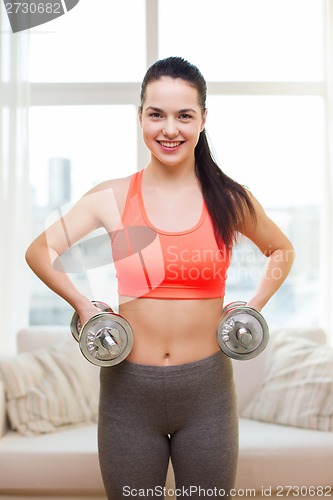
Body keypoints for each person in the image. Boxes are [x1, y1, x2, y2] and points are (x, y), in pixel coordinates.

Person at [25, 56, 295, 499]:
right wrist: (84, 305)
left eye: (184, 115)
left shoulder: (229, 199)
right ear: (140, 118)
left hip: (206, 392)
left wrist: (253, 308)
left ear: (203, 120)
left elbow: (281, 249)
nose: (170, 129)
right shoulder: (110, 197)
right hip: (127, 392)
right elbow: (40, 250)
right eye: (157, 114)